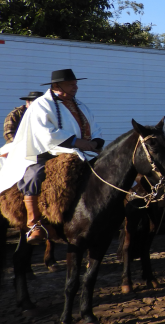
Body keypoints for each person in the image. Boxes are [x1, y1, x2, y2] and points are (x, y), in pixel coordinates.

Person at [0, 70, 103, 244]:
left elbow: (95, 127)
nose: (75, 87)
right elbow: (44, 133)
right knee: (34, 175)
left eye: (75, 84)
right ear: (56, 86)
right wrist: (76, 142)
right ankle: (35, 224)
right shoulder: (41, 105)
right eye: (71, 84)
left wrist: (94, 143)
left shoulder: (80, 106)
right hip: (46, 152)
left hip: (82, 151)